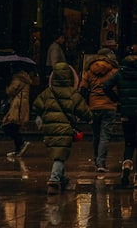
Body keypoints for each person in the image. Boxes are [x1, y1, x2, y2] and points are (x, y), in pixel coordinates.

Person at [32, 61, 92, 194]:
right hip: (65, 128)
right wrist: (89, 118)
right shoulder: (73, 94)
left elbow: (36, 105)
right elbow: (83, 110)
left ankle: (62, 178)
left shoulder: (47, 93)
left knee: (59, 153)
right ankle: (53, 180)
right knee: (60, 155)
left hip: (50, 128)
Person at [103, 44, 137, 189]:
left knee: (128, 142)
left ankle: (127, 163)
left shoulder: (121, 70)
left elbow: (106, 86)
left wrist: (117, 99)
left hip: (126, 112)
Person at [79, 47, 120, 173]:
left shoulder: (89, 70)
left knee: (96, 135)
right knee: (105, 135)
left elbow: (83, 89)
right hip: (109, 106)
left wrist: (85, 104)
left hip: (94, 106)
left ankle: (97, 159)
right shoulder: (114, 71)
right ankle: (101, 162)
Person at [1, 64, 34, 159]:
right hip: (19, 105)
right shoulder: (23, 78)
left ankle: (21, 143)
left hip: (17, 106)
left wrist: (7, 86)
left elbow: (10, 91)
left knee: (8, 126)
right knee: (14, 126)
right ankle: (18, 148)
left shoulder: (18, 79)